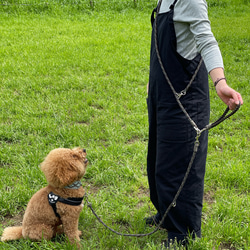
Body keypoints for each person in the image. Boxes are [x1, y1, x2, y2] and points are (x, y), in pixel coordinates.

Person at [146, 0, 243, 248]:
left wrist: (220, 82)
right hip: (162, 94)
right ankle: (166, 215)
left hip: (185, 98)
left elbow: (206, 40)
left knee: (180, 164)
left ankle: (183, 233)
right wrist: (152, 84)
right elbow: (160, 50)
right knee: (160, 159)